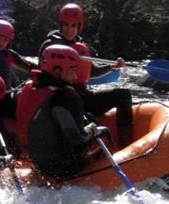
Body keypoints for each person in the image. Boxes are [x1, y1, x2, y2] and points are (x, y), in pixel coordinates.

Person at [39, 3, 134, 147]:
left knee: (124, 95)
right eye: (66, 25)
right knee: (88, 118)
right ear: (60, 25)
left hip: (84, 96)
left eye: (73, 26)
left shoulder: (81, 45)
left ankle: (126, 145)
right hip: (64, 100)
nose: (69, 30)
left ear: (79, 27)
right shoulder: (50, 46)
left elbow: (90, 72)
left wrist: (112, 66)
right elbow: (43, 73)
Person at [14, 45, 106, 179]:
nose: (75, 76)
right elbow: (75, 137)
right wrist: (92, 130)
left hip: (37, 161)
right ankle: (101, 172)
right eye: (72, 71)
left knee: (89, 117)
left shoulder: (29, 87)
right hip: (63, 168)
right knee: (103, 131)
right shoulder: (63, 97)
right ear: (57, 71)